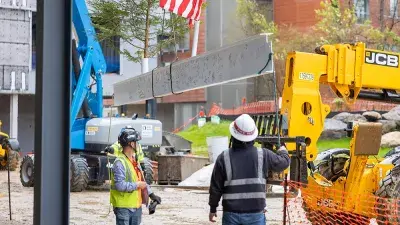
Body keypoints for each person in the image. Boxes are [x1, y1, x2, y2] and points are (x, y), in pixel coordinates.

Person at [208, 114, 290, 225]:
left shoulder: (223, 157)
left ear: (233, 134)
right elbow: (284, 162)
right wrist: (283, 150)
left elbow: (215, 186)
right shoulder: (263, 154)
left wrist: (213, 208)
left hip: (231, 215)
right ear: (253, 136)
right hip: (255, 214)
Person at [109, 127, 161, 225]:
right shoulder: (120, 163)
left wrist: (152, 195)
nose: (138, 144)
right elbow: (120, 185)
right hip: (123, 208)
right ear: (131, 144)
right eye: (136, 142)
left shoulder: (134, 161)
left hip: (136, 207)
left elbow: (141, 180)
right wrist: (137, 185)